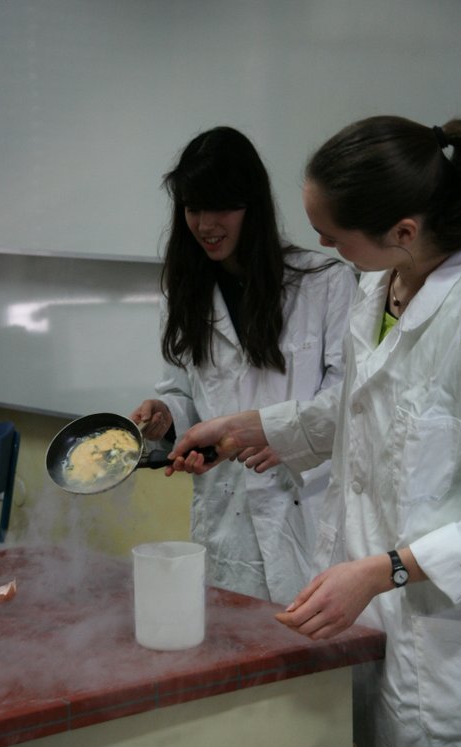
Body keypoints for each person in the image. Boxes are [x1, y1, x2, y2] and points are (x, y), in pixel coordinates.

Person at [166, 115, 461, 747]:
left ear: (404, 231)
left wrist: (386, 570)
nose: (322, 248)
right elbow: (357, 412)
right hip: (366, 612)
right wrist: (252, 427)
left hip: (439, 637)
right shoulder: (377, 292)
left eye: (333, 235)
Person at [131, 126, 357, 604]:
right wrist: (168, 415)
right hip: (228, 519)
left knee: (315, 641)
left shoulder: (325, 282)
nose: (205, 224)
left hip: (306, 511)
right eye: (193, 208)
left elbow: (350, 400)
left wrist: (283, 434)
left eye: (221, 207)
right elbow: (184, 391)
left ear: (252, 206)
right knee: (236, 638)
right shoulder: (184, 291)